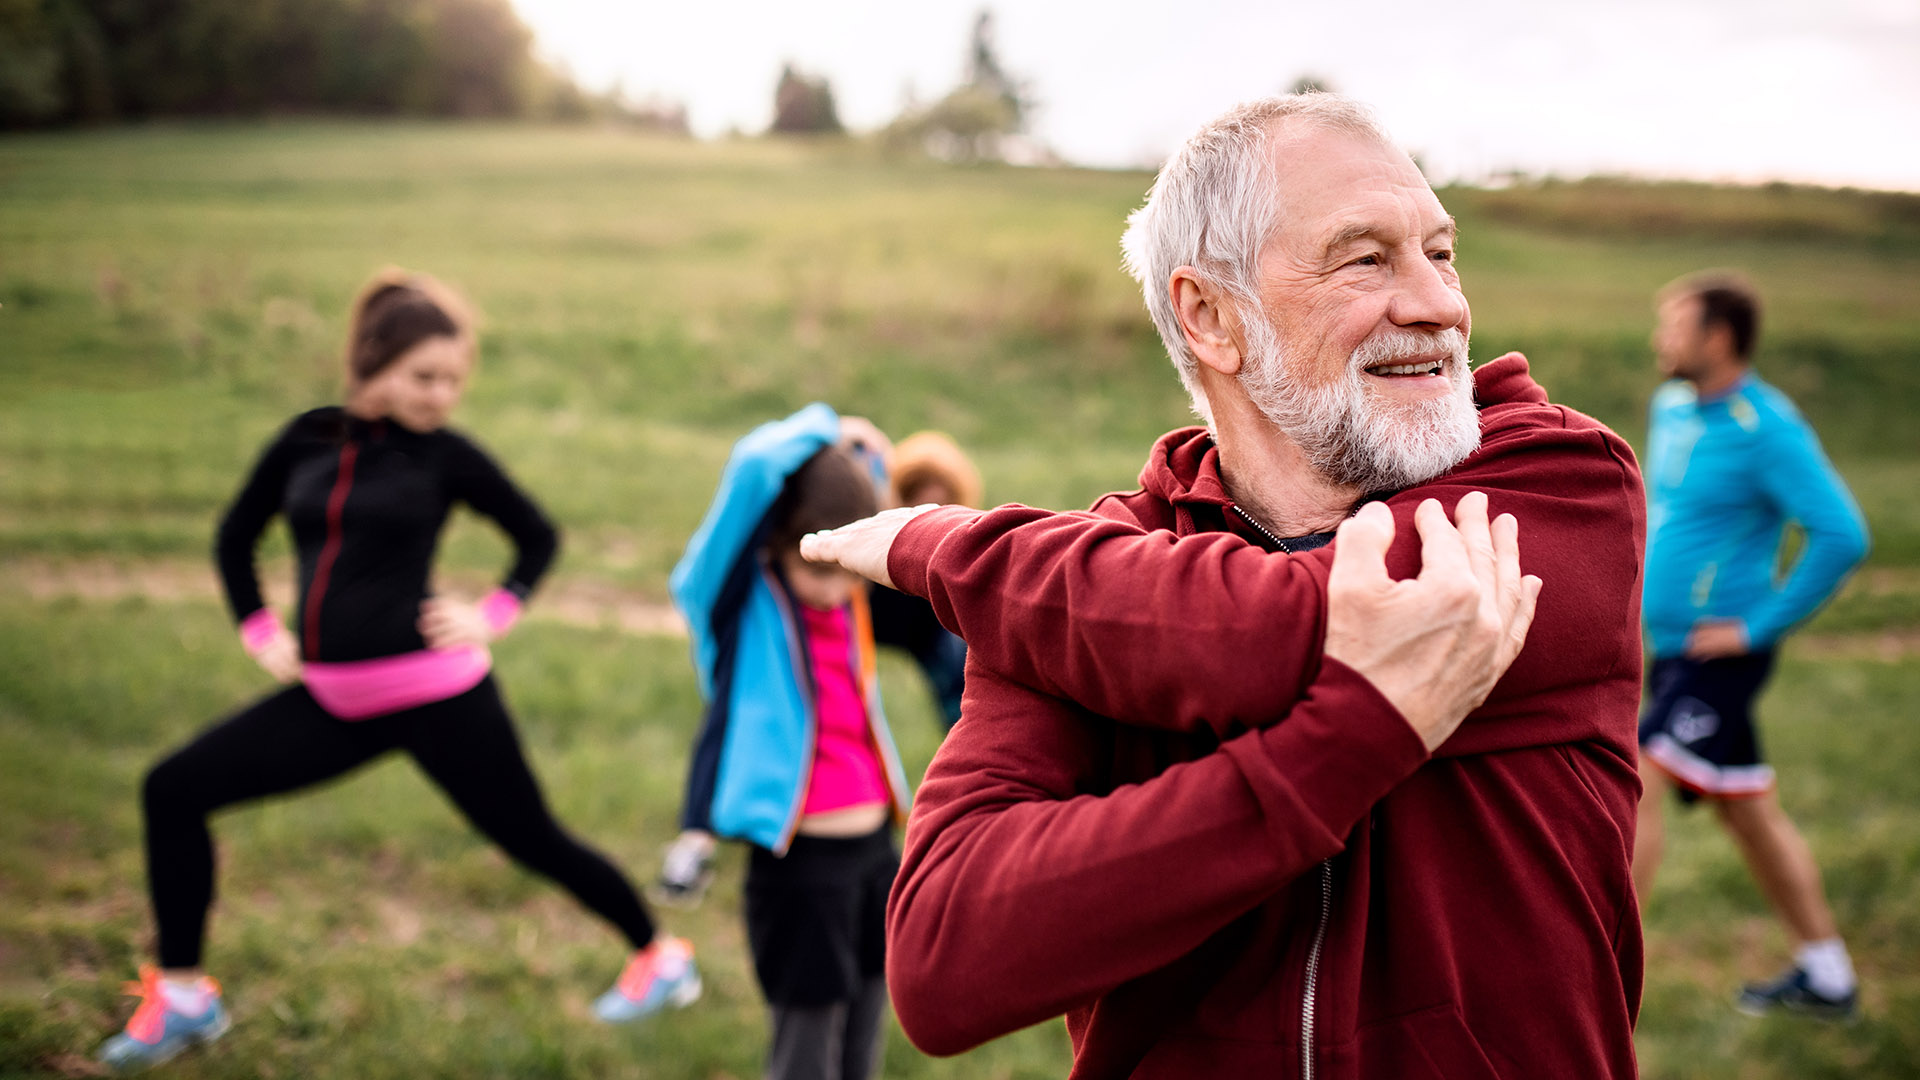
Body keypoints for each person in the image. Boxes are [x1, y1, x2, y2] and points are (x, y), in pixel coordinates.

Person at [801, 93, 1647, 1078]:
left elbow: (1280, 630)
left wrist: (948, 548)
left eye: (1442, 252)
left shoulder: (1557, 482)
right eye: (1367, 258)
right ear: (1210, 316)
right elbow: (944, 964)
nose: (1438, 304)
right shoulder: (1086, 587)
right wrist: (1348, 741)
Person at [96, 271, 696, 1071]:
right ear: (370, 362)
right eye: (423, 376)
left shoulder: (448, 458)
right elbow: (235, 534)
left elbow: (537, 535)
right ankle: (182, 999)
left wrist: (492, 612)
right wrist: (257, 626)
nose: (440, 395)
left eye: (454, 379)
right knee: (171, 790)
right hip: (331, 703)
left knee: (531, 837)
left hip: (438, 698)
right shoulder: (309, 437)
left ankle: (661, 957)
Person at [1633, 272, 1869, 1018]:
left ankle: (1599, 977)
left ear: (1719, 338)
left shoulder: (1766, 427)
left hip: (1720, 656)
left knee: (1637, 778)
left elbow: (1842, 534)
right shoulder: (1672, 408)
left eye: (1675, 327)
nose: (1660, 340)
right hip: (1670, 648)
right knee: (1748, 810)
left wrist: (1756, 626)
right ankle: (1828, 974)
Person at [663, 405, 913, 1080]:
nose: (838, 590)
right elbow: (753, 465)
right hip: (801, 864)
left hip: (873, 850)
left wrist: (868, 462)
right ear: (775, 541)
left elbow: (871, 505)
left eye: (847, 570)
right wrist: (833, 426)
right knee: (807, 1048)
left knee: (866, 1032)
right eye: (820, 569)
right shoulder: (738, 605)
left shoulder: (849, 599)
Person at [867, 431, 980, 728]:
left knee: (961, 683)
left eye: (941, 510)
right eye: (916, 508)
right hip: (872, 613)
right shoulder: (869, 539)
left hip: (924, 626)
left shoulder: (956, 555)